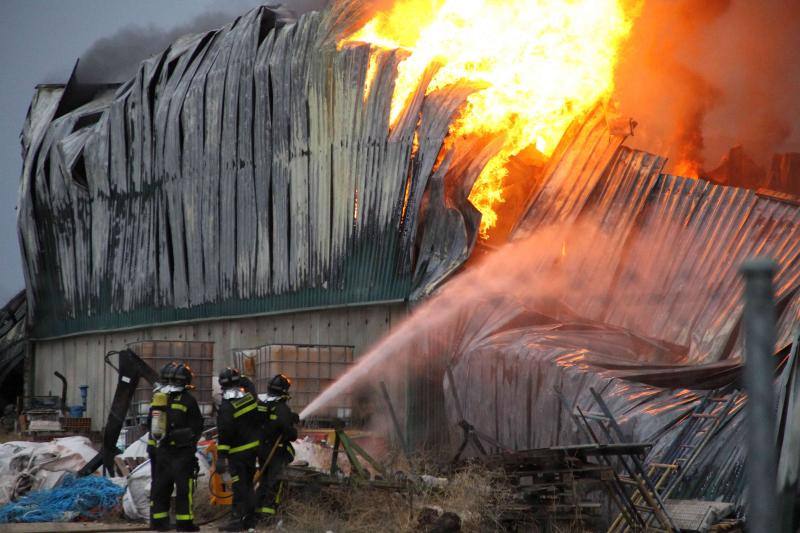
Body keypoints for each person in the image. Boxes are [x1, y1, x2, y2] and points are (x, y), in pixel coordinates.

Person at [147, 362, 203, 532]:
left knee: (161, 487)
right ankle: (184, 524)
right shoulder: (188, 400)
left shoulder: (159, 398)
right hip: (181, 453)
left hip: (162, 450)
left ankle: (159, 522)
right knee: (184, 489)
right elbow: (197, 427)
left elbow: (149, 423)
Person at [216, 368, 264, 532]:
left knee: (239, 487)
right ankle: (249, 520)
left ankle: (237, 521)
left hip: (237, 454)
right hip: (252, 451)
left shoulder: (227, 407)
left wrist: (221, 457)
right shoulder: (249, 399)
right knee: (248, 485)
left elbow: (224, 434)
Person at [254, 374, 298, 523]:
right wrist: (293, 428)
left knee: (264, 480)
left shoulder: (262, 404)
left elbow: (270, 421)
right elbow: (289, 433)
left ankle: (257, 511)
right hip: (277, 452)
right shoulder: (282, 408)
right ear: (284, 390)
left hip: (262, 450)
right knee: (275, 482)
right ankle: (269, 514)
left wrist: (291, 417)